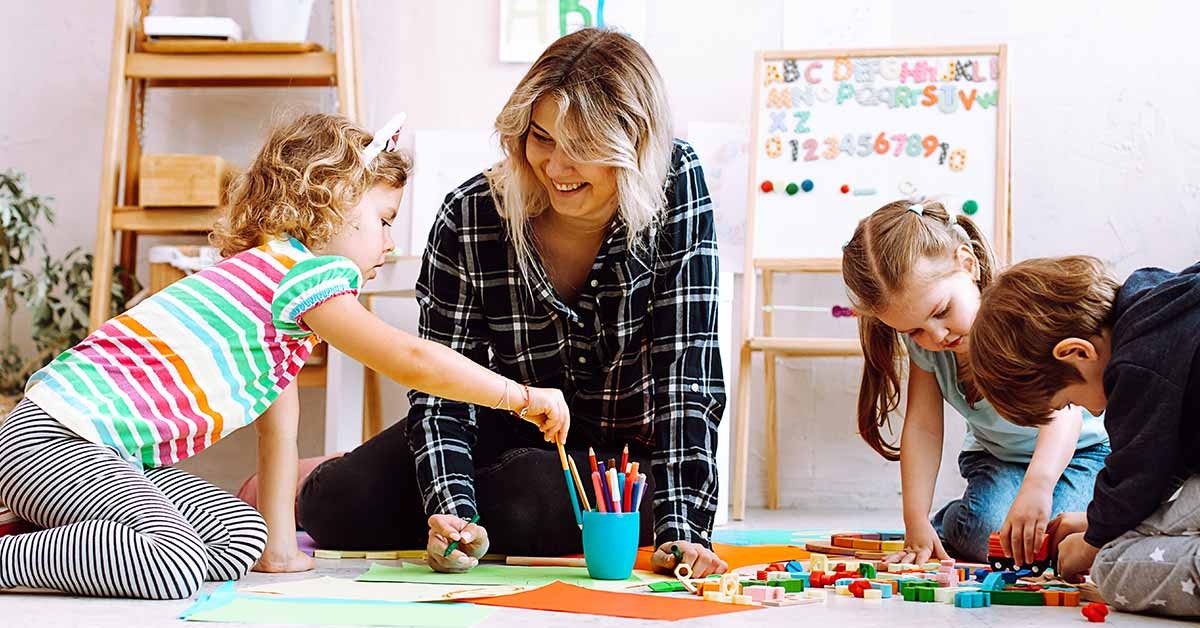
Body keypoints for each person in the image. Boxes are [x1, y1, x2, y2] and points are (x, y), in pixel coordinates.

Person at [0, 112, 569, 599]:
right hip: (57, 438)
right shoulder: (305, 273)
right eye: (384, 221)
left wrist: (277, 551)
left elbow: (279, 436)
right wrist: (517, 396)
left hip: (106, 458)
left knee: (240, 535)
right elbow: (410, 359)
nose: (391, 244)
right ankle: (13, 554)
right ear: (331, 205)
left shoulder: (272, 307)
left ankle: (28, 524)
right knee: (172, 561)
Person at [297, 28, 729, 578]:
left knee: (529, 504)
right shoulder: (470, 214)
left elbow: (686, 371)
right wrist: (451, 515)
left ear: (635, 146)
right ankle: (329, 473)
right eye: (542, 138)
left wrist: (684, 531)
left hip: (619, 462)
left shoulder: (677, 185)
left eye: (584, 147)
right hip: (497, 428)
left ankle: (488, 498)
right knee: (335, 507)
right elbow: (441, 389)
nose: (555, 167)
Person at [840, 200, 1109, 565]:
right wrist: (915, 520)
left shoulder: (1018, 318)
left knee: (1054, 540)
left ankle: (1000, 507)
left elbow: (1065, 413)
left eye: (941, 312)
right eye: (914, 330)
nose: (936, 335)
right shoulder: (929, 348)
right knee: (993, 536)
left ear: (968, 264)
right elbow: (923, 427)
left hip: (1080, 452)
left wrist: (1038, 485)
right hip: (997, 458)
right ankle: (952, 521)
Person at [970, 256, 1200, 617]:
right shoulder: (1154, 298)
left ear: (1077, 353)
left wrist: (1092, 544)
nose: (1093, 413)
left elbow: (1135, 477)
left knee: (1112, 566)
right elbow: (1165, 463)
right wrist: (1098, 520)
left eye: (1070, 401)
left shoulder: (1136, 364)